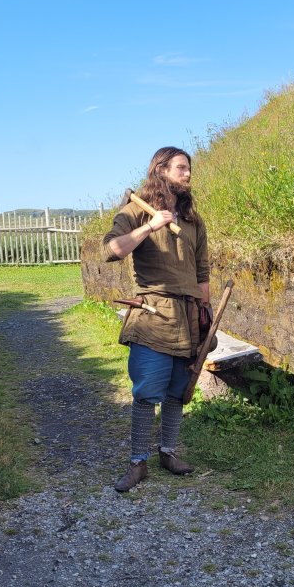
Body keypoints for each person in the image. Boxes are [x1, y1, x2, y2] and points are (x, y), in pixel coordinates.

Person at [102, 146, 211, 492]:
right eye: (181, 168)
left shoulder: (194, 221)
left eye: (189, 169)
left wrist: (205, 314)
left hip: (188, 316)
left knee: (177, 392)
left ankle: (168, 452)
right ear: (161, 170)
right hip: (153, 314)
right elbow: (112, 250)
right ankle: (138, 463)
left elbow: (202, 271)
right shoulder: (135, 211)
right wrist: (150, 226)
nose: (187, 174)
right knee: (148, 391)